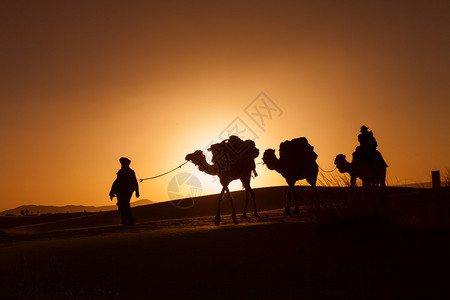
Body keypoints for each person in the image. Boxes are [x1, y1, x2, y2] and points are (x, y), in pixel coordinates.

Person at [109, 157, 139, 225]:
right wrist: (112, 192)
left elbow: (134, 181)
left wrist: (137, 191)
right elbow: (117, 182)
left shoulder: (130, 172)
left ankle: (130, 220)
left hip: (126, 191)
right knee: (121, 204)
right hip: (120, 191)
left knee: (124, 204)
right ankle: (125, 219)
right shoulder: (121, 172)